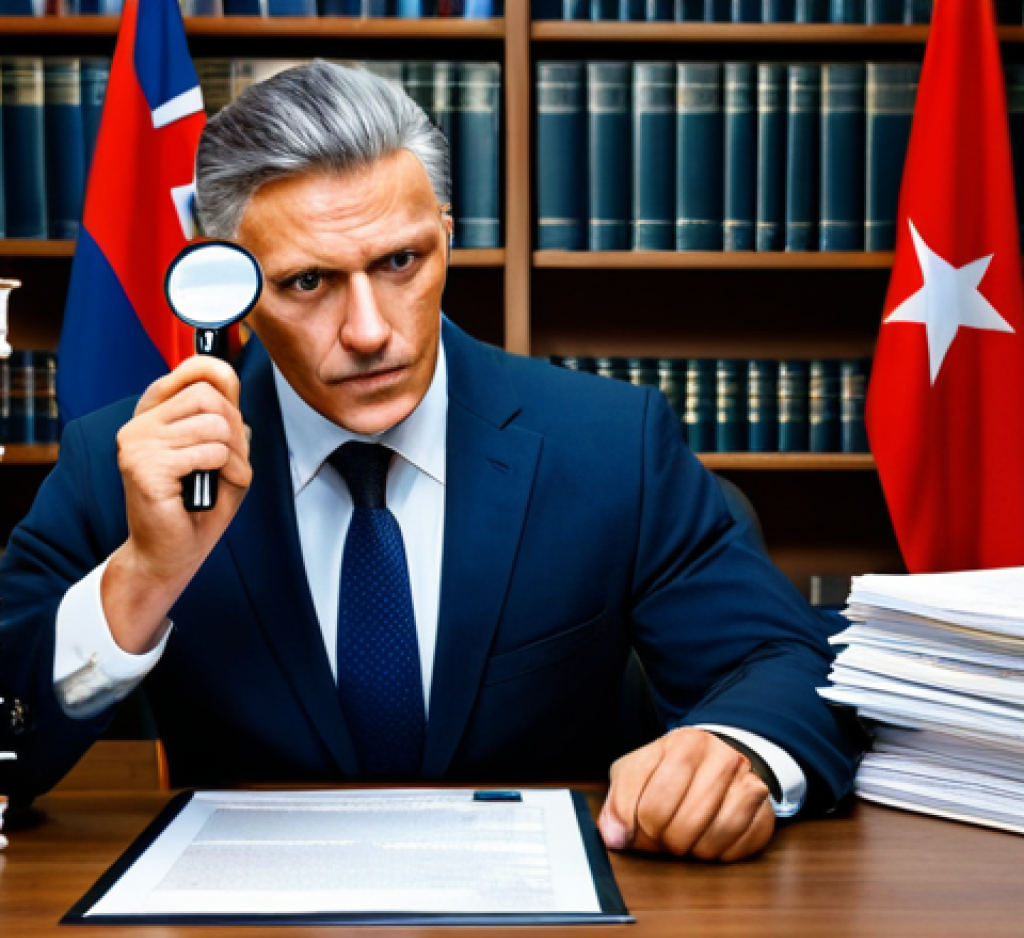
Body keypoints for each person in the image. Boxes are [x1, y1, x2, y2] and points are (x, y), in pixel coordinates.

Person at [0, 60, 862, 862]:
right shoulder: (120, 463)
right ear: (237, 290)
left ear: (446, 238)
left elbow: (785, 665)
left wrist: (736, 751)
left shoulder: (613, 445)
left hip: (545, 930)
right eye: (308, 282)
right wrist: (143, 577)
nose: (370, 330)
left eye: (400, 261)